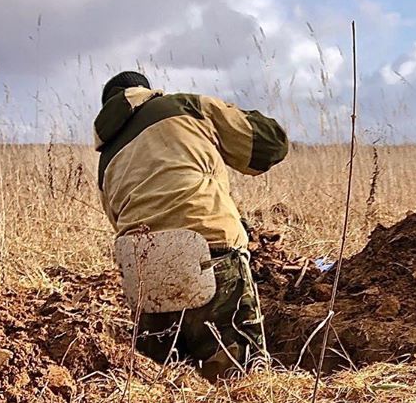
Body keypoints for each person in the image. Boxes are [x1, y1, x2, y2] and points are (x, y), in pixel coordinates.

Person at [94, 71, 289, 380]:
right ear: (146, 92)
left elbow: (118, 220)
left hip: (143, 272)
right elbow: (269, 144)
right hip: (208, 254)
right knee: (243, 382)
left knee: (164, 389)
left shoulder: (105, 160)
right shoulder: (183, 106)